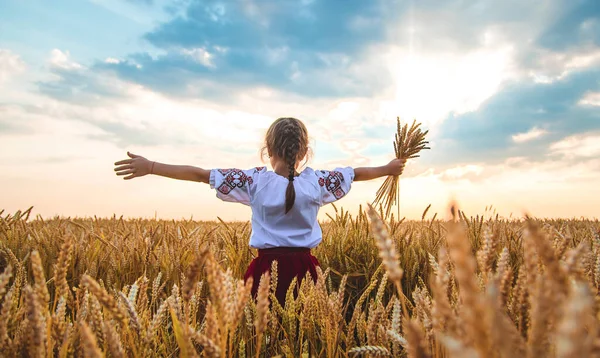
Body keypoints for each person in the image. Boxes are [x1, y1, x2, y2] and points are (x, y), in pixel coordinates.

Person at [114, 117, 406, 305]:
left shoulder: (254, 182)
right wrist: (388, 169)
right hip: (307, 272)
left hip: (265, 273)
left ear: (268, 149)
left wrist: (151, 167)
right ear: (304, 152)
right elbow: (355, 173)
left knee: (261, 336)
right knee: (305, 334)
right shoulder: (316, 183)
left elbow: (200, 174)